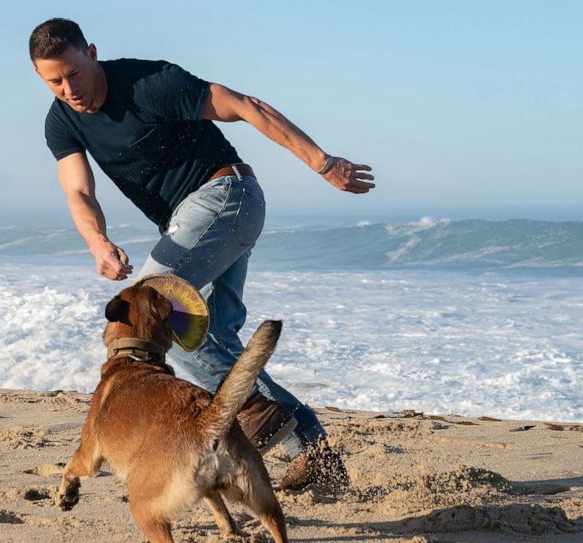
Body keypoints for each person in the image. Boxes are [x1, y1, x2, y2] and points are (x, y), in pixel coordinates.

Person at [29, 18, 374, 489]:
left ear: (91, 52)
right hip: (192, 222)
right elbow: (79, 192)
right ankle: (316, 456)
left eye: (73, 73)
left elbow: (246, 106)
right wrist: (98, 243)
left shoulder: (150, 83)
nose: (68, 88)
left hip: (227, 195)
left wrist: (323, 162)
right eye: (54, 80)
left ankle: (252, 408)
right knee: (215, 344)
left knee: (153, 308)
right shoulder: (61, 121)